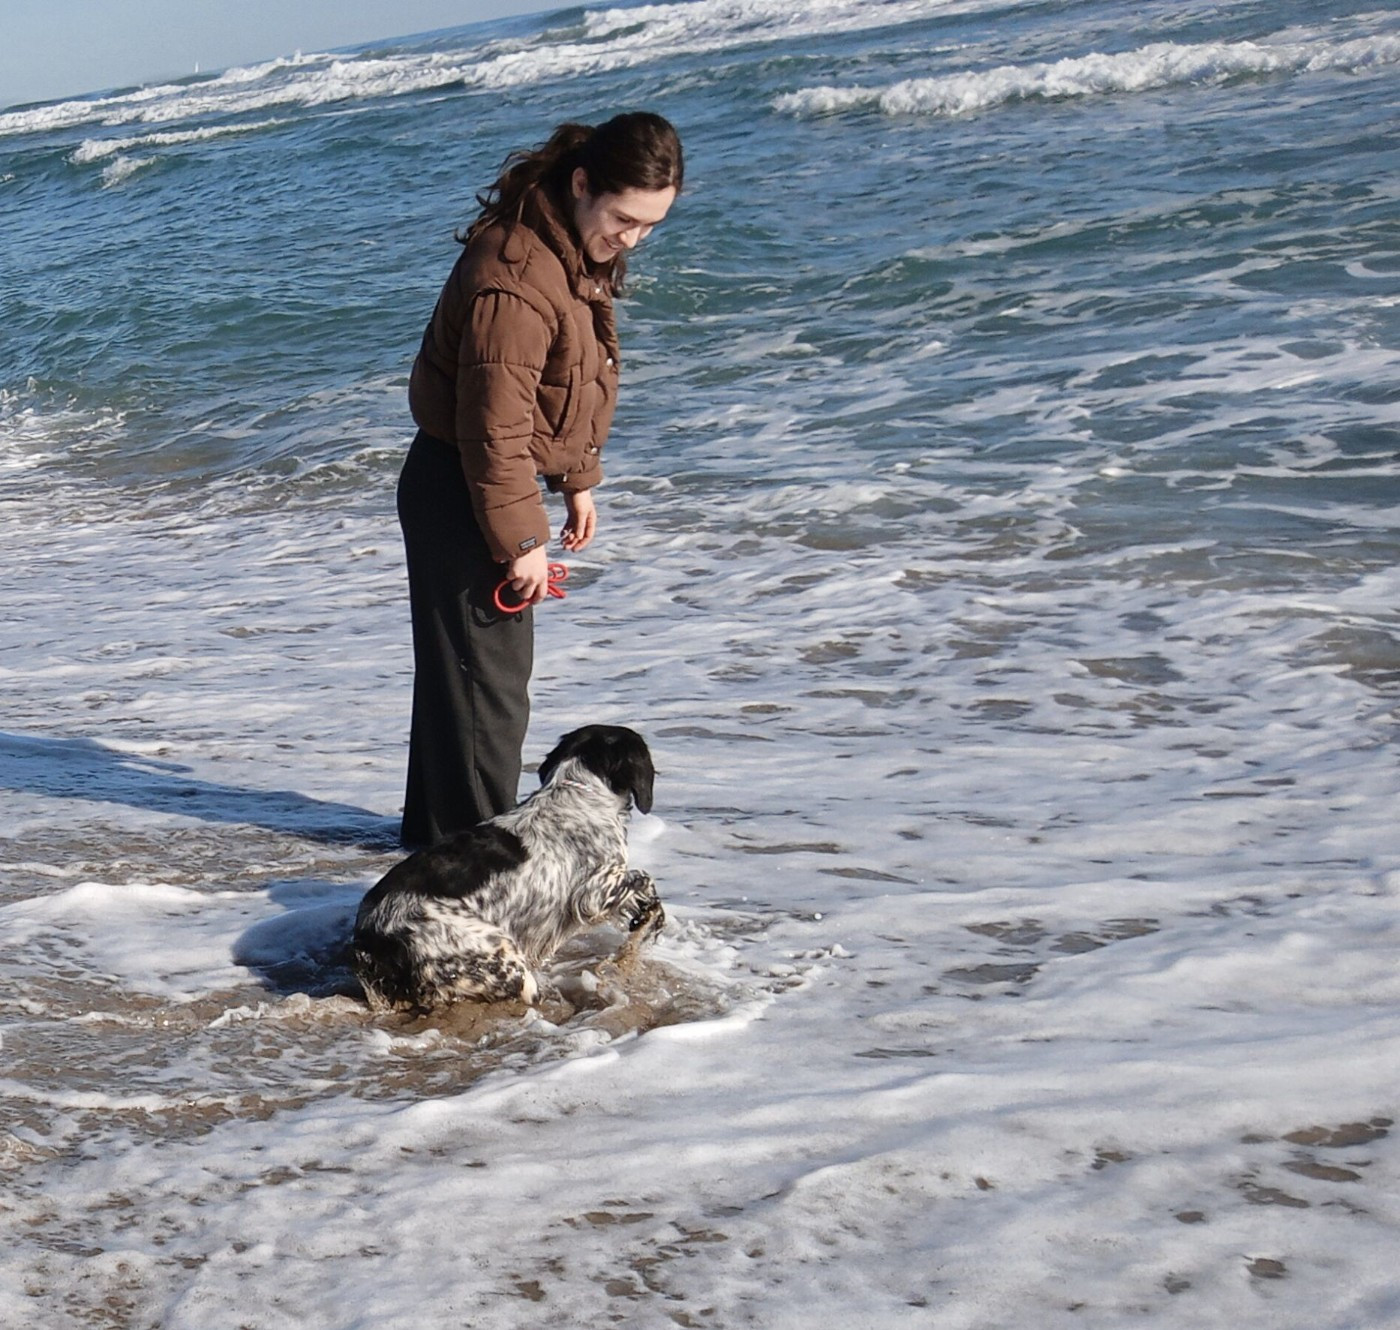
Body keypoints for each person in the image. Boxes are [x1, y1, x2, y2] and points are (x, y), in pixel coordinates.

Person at [395, 112, 683, 848]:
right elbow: (495, 425)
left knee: (466, 693)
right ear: (582, 183)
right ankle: (472, 872)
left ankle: (434, 851)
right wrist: (523, 537)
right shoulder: (518, 276)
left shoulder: (565, 246)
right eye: (624, 219)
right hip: (468, 488)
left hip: (483, 483)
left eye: (650, 225)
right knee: (484, 704)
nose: (633, 239)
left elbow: (568, 377)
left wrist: (577, 478)